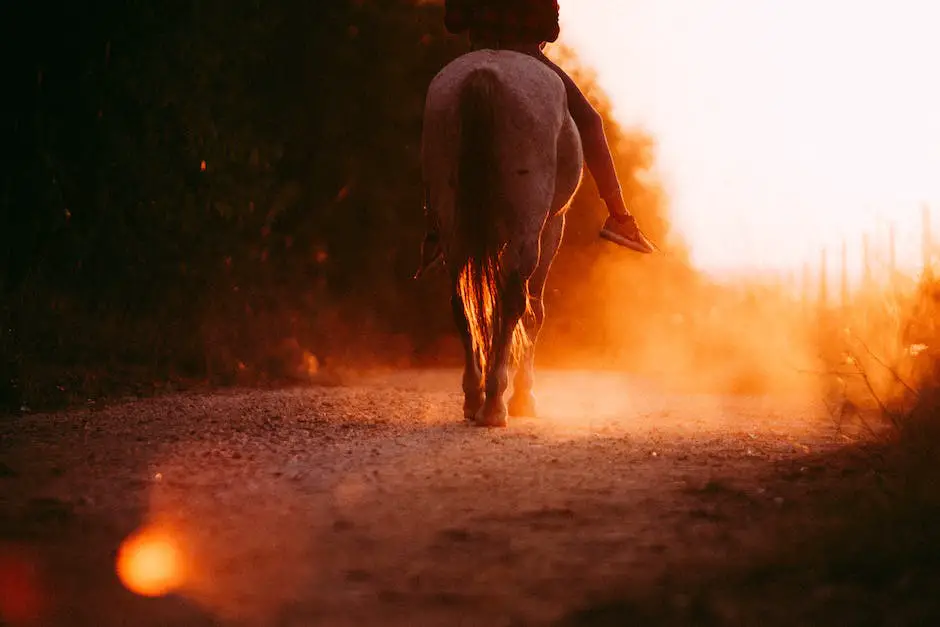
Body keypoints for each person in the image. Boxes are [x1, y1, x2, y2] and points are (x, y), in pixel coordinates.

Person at [415, 0, 655, 277]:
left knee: (437, 121)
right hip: (526, 53)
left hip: (478, 48)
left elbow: (453, 21)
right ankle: (619, 218)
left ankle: (434, 223)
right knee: (591, 122)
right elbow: (551, 30)